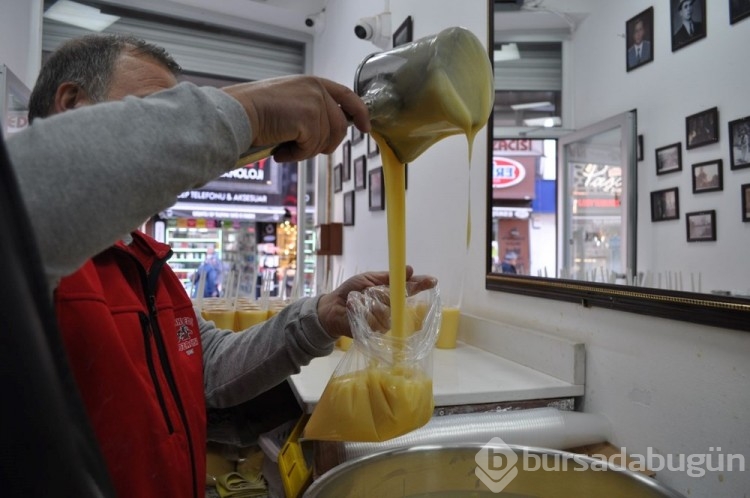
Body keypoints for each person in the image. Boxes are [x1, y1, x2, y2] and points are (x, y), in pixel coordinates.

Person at [17, 33, 436, 498]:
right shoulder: (32, 256)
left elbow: (209, 370)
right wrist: (251, 112)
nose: (181, 146)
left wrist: (321, 317)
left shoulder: (146, 264)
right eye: (157, 111)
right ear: (72, 104)